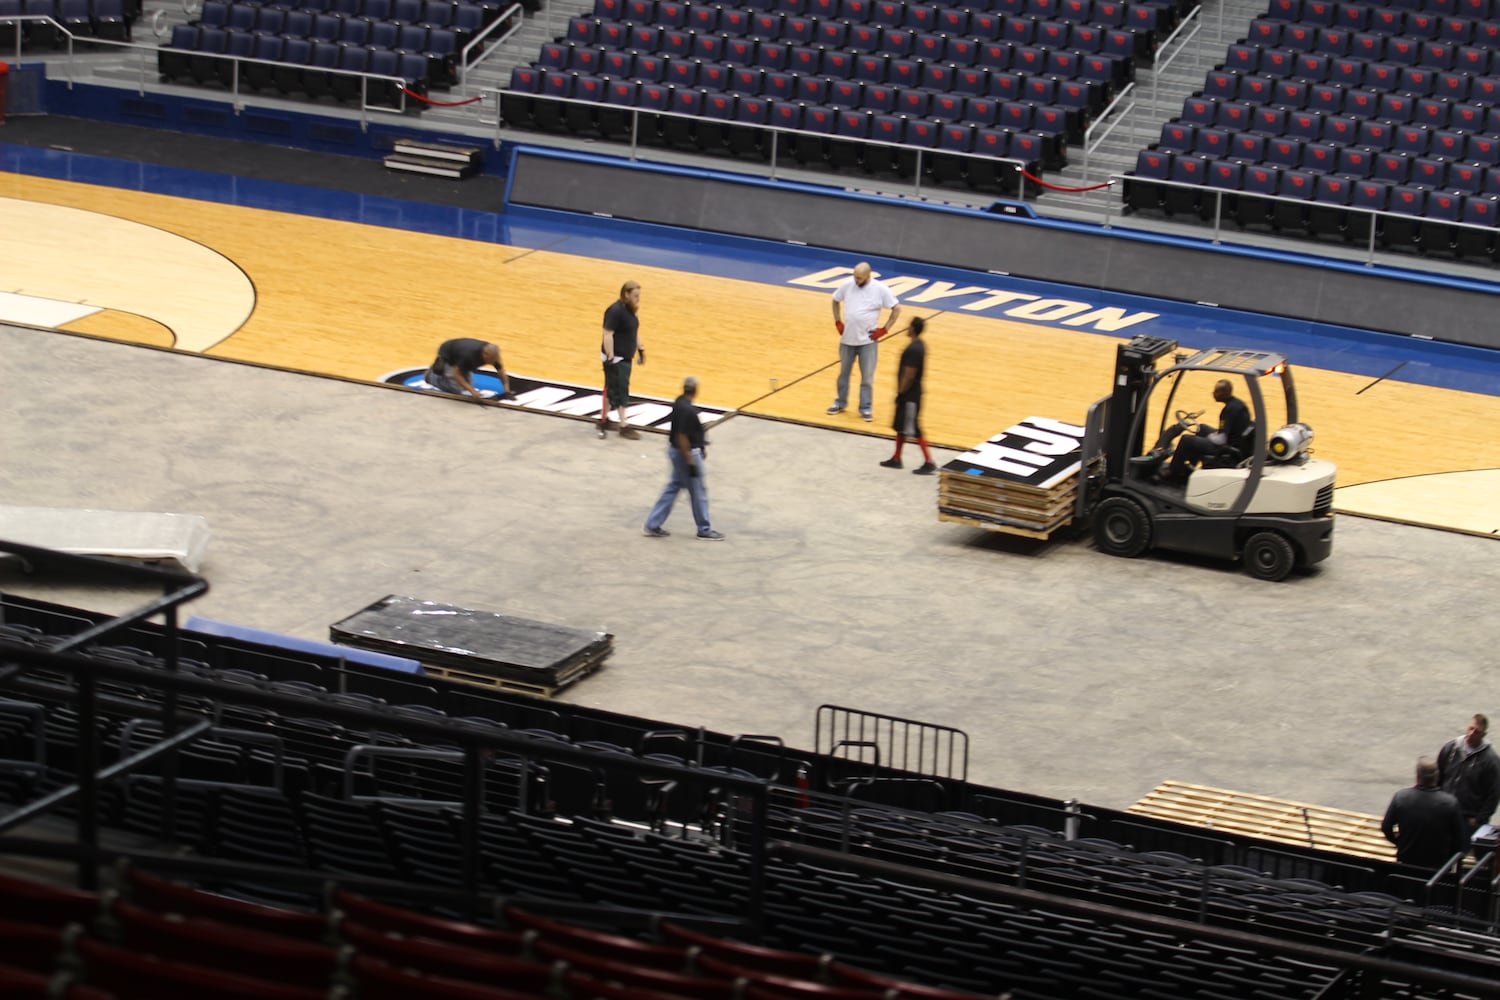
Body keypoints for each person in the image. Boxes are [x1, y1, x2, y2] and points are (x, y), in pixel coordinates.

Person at [643, 377, 724, 540]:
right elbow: (682, 437)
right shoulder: (688, 411)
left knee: (674, 486)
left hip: (675, 451)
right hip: (685, 454)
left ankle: (652, 524)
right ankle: (704, 529)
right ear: (695, 390)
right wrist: (691, 462)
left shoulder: (679, 402)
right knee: (698, 491)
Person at [829, 262, 901, 422]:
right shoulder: (847, 285)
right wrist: (837, 322)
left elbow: (896, 308)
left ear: (869, 276)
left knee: (867, 378)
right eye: (855, 277)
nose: (856, 280)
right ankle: (840, 402)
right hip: (847, 339)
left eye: (859, 278)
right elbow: (835, 300)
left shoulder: (880, 289)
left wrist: (885, 329)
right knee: (843, 374)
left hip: (868, 342)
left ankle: (866, 408)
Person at [1381, 758, 1469, 869]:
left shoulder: (1401, 797)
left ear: (1417, 776)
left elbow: (1386, 827)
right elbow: (1459, 840)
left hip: (1407, 861)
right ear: (1437, 777)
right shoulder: (1450, 803)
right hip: (1438, 865)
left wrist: (1400, 843)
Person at [879, 316, 937, 475]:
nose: (906, 327)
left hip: (910, 395)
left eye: (909, 326)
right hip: (910, 394)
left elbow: (909, 374)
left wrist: (901, 392)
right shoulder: (919, 345)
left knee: (914, 428)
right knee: (900, 426)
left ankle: (929, 462)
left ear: (913, 329)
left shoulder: (914, 349)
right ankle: (896, 458)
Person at [1162, 378, 1252, 481]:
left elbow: (1221, 439)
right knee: (1202, 428)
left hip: (1227, 449)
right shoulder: (1238, 404)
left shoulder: (1228, 411)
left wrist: (1210, 437)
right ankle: (1190, 466)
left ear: (1225, 393)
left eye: (1217, 391)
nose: (1213, 393)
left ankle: (1173, 471)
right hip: (1236, 442)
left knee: (1186, 440)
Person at [1437, 713, 1500, 831]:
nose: (1471, 734)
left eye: (1477, 732)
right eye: (1470, 728)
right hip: (1444, 814)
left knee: (1465, 849)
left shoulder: (1490, 761)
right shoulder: (1450, 749)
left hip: (1468, 820)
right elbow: (1438, 777)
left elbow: (1494, 794)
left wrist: (1479, 819)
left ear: (1483, 734)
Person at [600, 281, 644, 440]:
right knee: (620, 390)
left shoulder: (632, 311)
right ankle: (623, 426)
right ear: (626, 294)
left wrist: (641, 349)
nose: (638, 299)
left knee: (611, 387)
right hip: (616, 358)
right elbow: (607, 334)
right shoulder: (615, 311)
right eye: (635, 296)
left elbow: (634, 331)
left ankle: (603, 419)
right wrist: (611, 357)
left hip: (624, 355)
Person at [426, 338, 514, 401]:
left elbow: (501, 372)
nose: (492, 362)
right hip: (449, 354)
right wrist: (472, 390)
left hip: (461, 356)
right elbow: (456, 375)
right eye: (490, 360)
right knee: (457, 390)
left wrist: (507, 391)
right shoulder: (469, 356)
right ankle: (431, 377)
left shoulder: (493, 356)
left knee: (468, 385)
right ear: (485, 354)